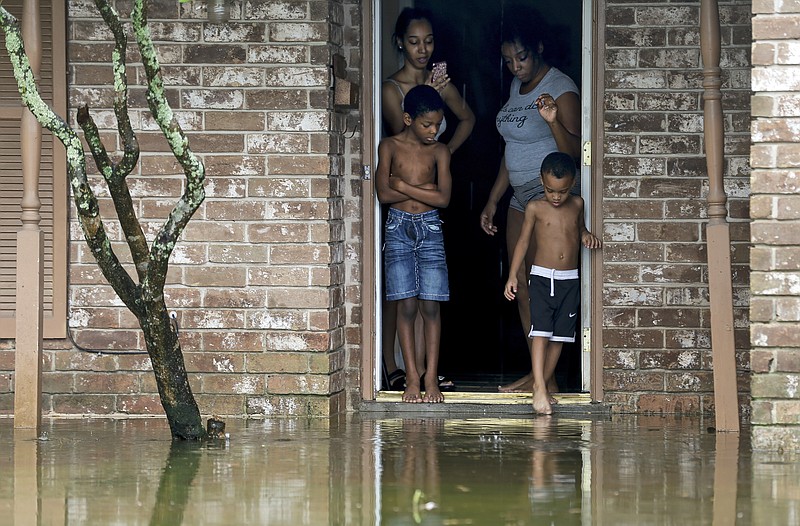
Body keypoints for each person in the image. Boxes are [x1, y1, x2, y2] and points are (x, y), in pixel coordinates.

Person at [480, 13, 581, 394]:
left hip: (548, 196)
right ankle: (542, 376)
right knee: (522, 284)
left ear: (537, 48)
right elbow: (513, 148)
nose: (515, 66)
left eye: (521, 57)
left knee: (544, 288)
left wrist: (552, 119)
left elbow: (574, 151)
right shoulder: (514, 86)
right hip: (519, 195)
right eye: (508, 60)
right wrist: (492, 199)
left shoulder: (561, 87)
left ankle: (544, 379)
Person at [381, 7, 474, 392]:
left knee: (428, 296)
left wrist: (444, 155)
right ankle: (397, 368)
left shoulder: (442, 83)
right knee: (401, 293)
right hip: (402, 211)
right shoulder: (393, 89)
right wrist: (429, 98)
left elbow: (467, 119)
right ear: (400, 42)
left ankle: (423, 371)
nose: (422, 49)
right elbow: (402, 139)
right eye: (414, 41)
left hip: (430, 206)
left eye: (429, 41)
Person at [503, 152, 601, 415]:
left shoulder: (578, 204)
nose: (556, 197)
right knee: (541, 334)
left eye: (562, 191)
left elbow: (578, 228)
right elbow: (523, 242)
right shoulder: (535, 207)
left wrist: (586, 235)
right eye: (550, 190)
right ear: (541, 181)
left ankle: (541, 385)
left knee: (560, 336)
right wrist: (513, 275)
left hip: (569, 278)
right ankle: (540, 388)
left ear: (573, 184)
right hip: (542, 277)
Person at [376, 85, 452, 403]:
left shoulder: (440, 152)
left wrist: (405, 185)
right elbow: (383, 194)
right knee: (406, 304)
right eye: (427, 125)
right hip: (398, 227)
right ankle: (410, 378)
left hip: (431, 228)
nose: (434, 131)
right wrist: (424, 189)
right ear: (408, 119)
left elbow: (444, 198)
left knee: (430, 305)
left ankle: (430, 377)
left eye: (438, 124)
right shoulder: (389, 147)